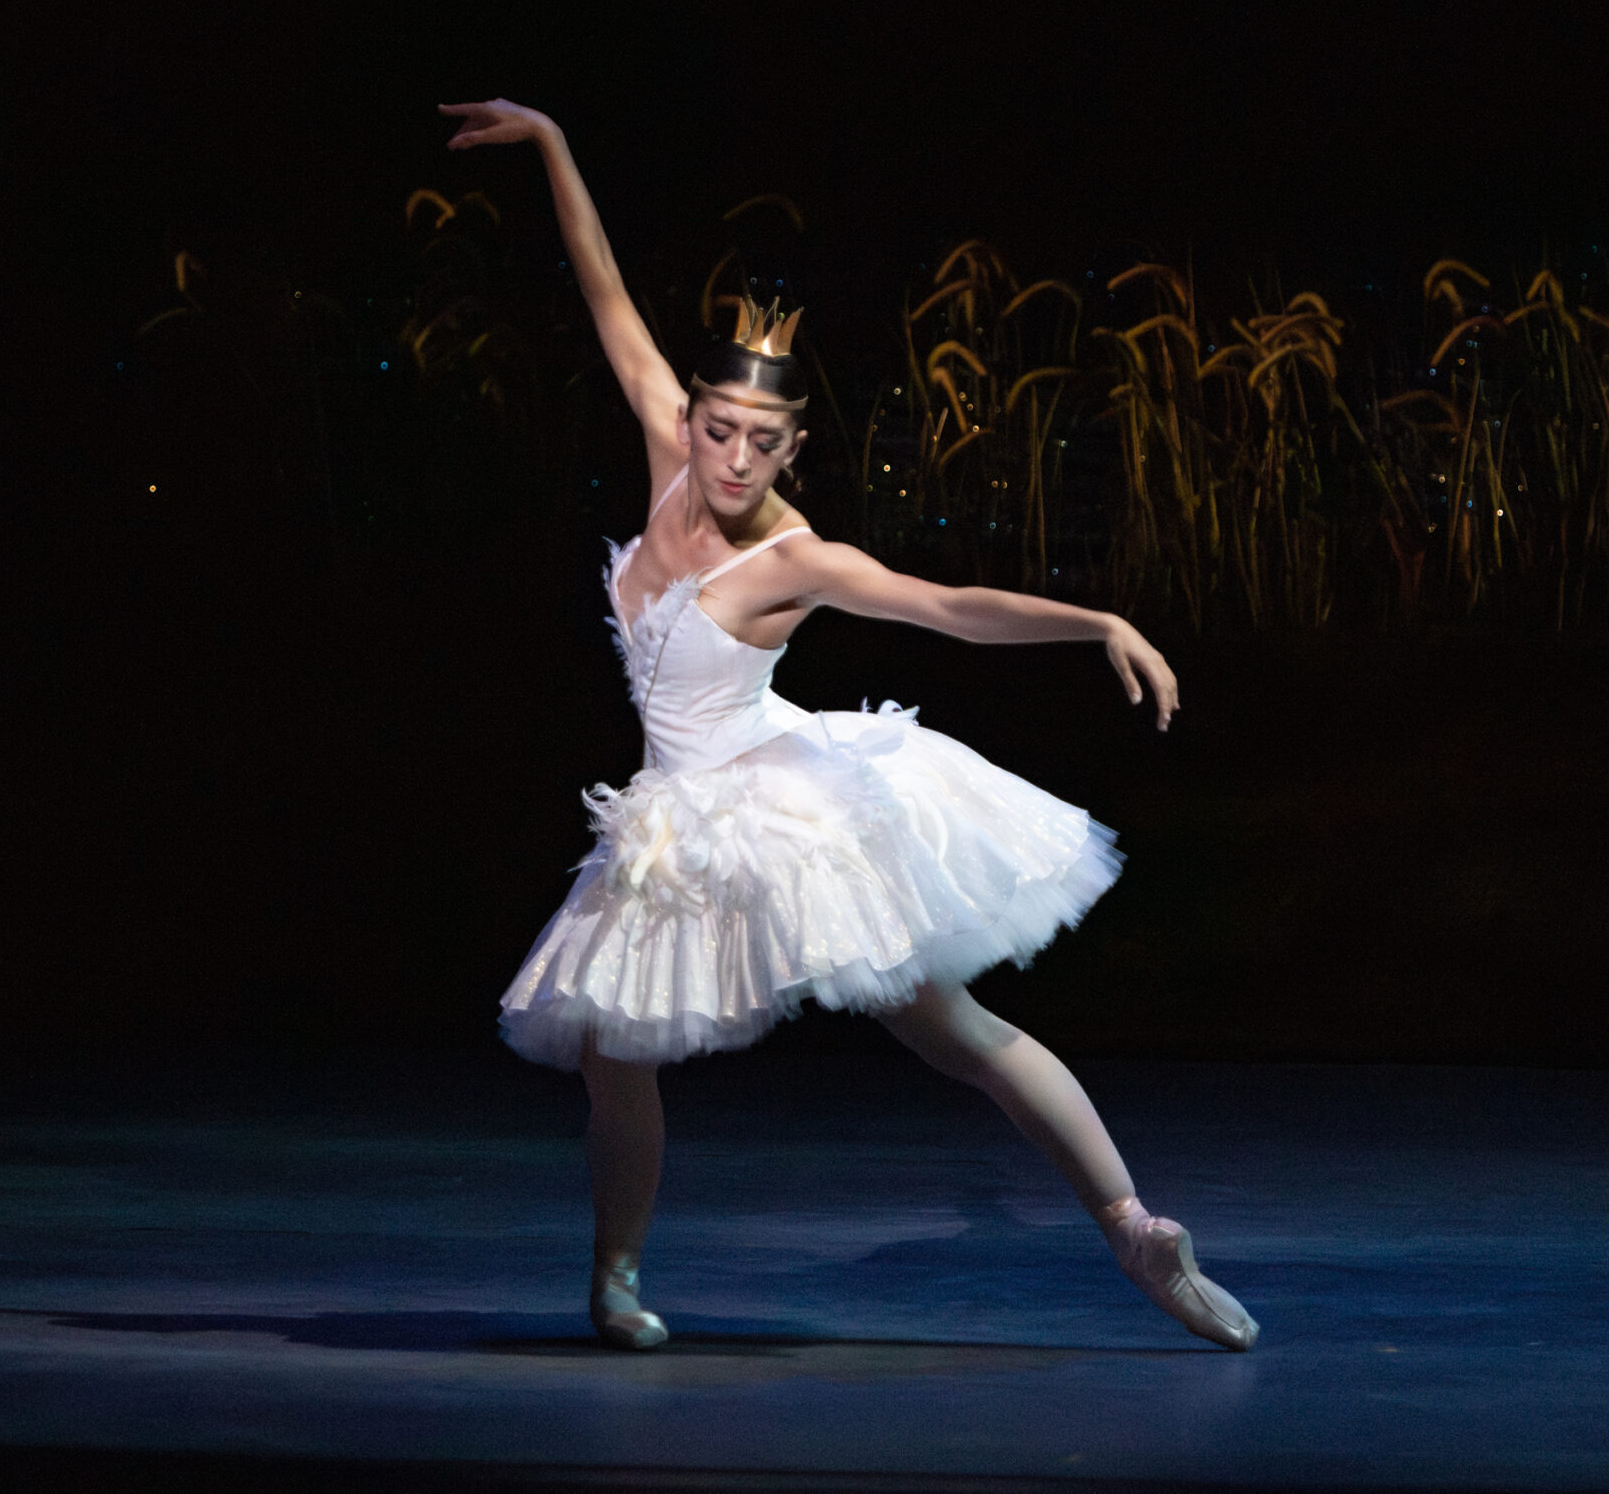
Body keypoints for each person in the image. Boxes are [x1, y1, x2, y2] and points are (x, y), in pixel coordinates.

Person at [444, 98, 1257, 1354]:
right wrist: (551, 140)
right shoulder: (669, 447)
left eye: (760, 444)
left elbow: (944, 608)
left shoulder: (795, 558)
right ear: (693, 419)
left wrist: (1093, 619)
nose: (730, 459)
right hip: (674, 811)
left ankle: (1137, 1229)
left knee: (955, 1031)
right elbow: (602, 285)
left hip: (782, 804)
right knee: (612, 1052)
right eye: (717, 431)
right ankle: (613, 1280)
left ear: (790, 446)